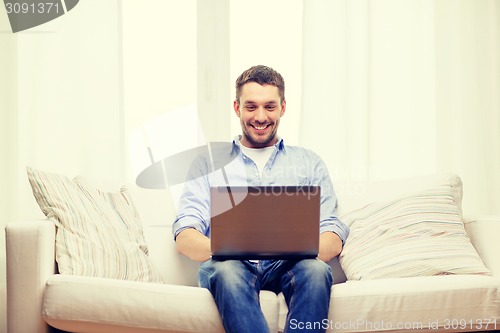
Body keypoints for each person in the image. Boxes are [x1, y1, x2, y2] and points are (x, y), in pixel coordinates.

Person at [172, 65, 349, 333]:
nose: (260, 116)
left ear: (283, 107)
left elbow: (332, 234)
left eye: (269, 106)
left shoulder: (308, 163)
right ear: (237, 108)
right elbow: (185, 235)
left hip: (290, 264)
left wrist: (293, 247)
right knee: (227, 271)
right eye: (251, 106)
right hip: (231, 265)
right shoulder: (207, 163)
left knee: (316, 271)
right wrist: (230, 247)